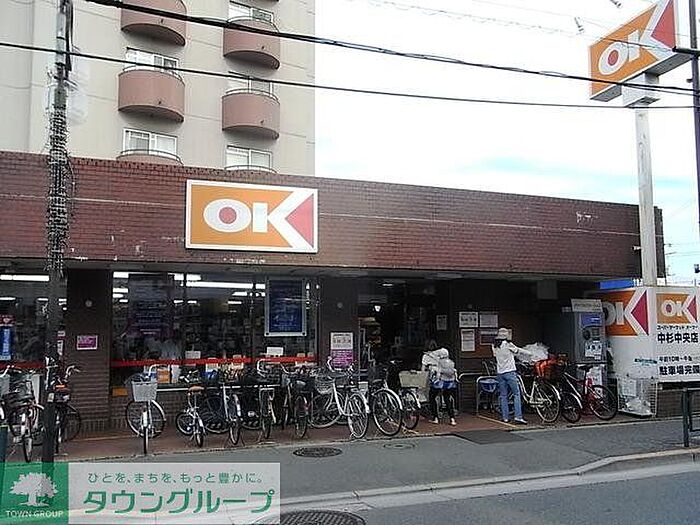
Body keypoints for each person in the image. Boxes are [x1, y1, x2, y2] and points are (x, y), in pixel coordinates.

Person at [492, 327, 527, 425]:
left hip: (500, 373)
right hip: (510, 372)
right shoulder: (508, 345)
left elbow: (495, 355)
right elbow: (518, 351)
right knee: (516, 394)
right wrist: (531, 354)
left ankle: (505, 418)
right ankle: (518, 416)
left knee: (503, 395)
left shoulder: (494, 346)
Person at [422, 342, 457, 426]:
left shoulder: (426, 356)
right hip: (449, 379)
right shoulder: (444, 351)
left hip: (438, 380)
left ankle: (435, 418)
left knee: (432, 397)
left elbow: (423, 370)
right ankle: (452, 419)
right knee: (447, 398)